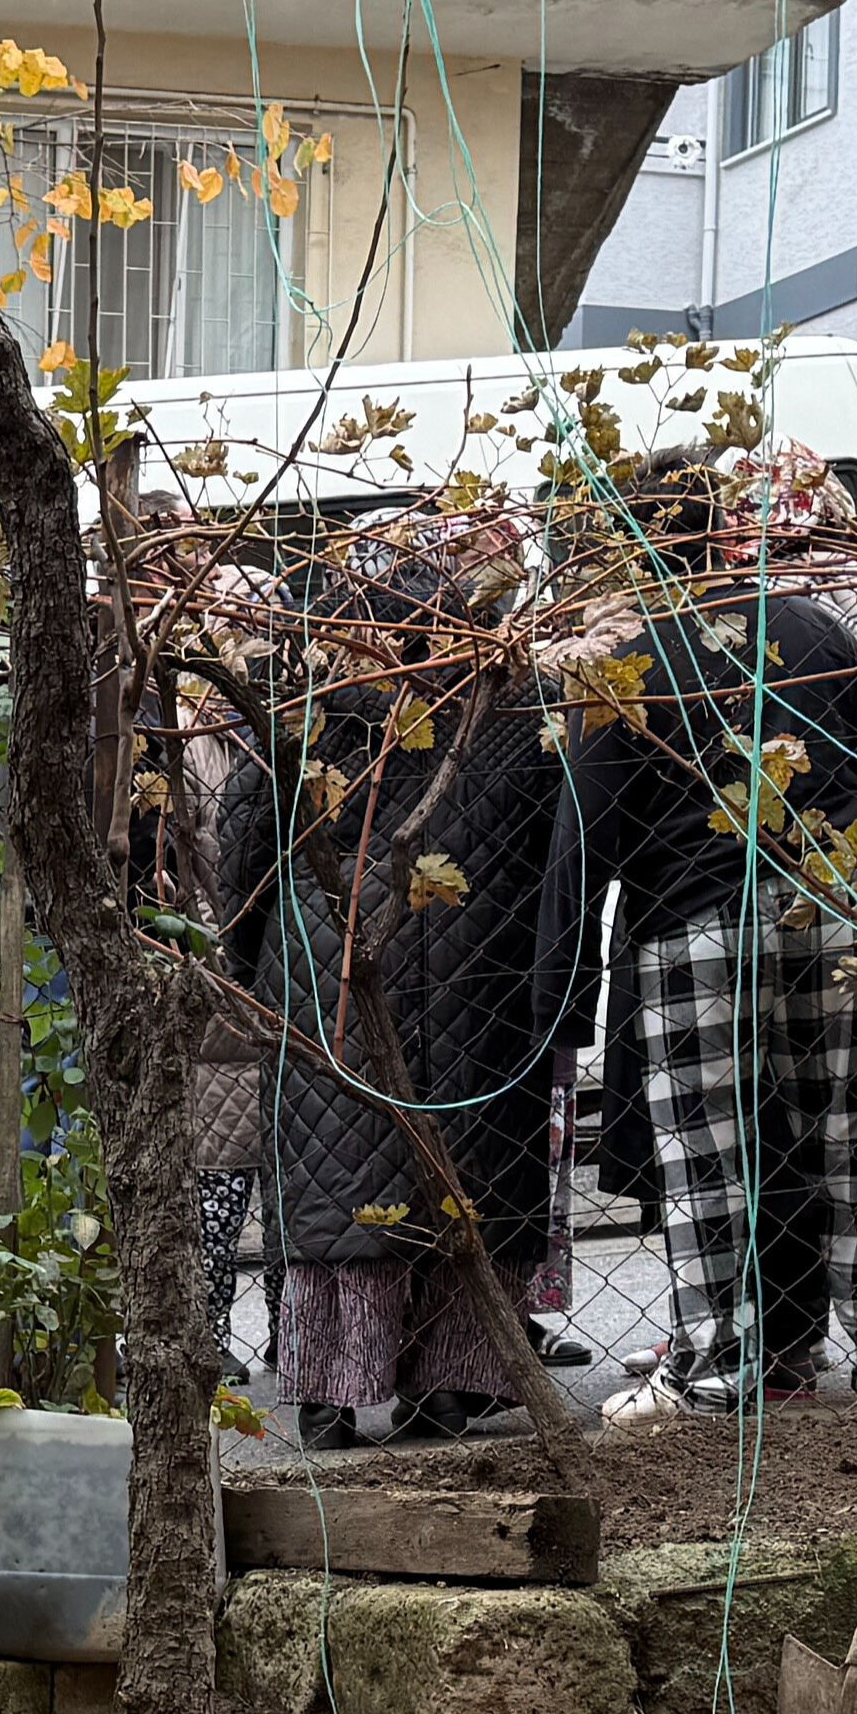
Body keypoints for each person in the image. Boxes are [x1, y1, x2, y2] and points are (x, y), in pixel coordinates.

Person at [211, 521, 591, 1447]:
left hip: (322, 964)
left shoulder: (308, 703)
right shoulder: (509, 703)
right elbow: (558, 850)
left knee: (332, 1178)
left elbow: (243, 854)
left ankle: (329, 1391)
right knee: (470, 1167)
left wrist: (257, 950)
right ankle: (449, 1383)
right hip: (480, 958)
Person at [573, 453, 857, 1423]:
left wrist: (566, 988)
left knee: (710, 1151)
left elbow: (589, 835)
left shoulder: (631, 661)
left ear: (636, 544)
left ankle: (719, 1362)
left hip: (689, 928)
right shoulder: (819, 628)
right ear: (722, 527)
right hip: (832, 913)